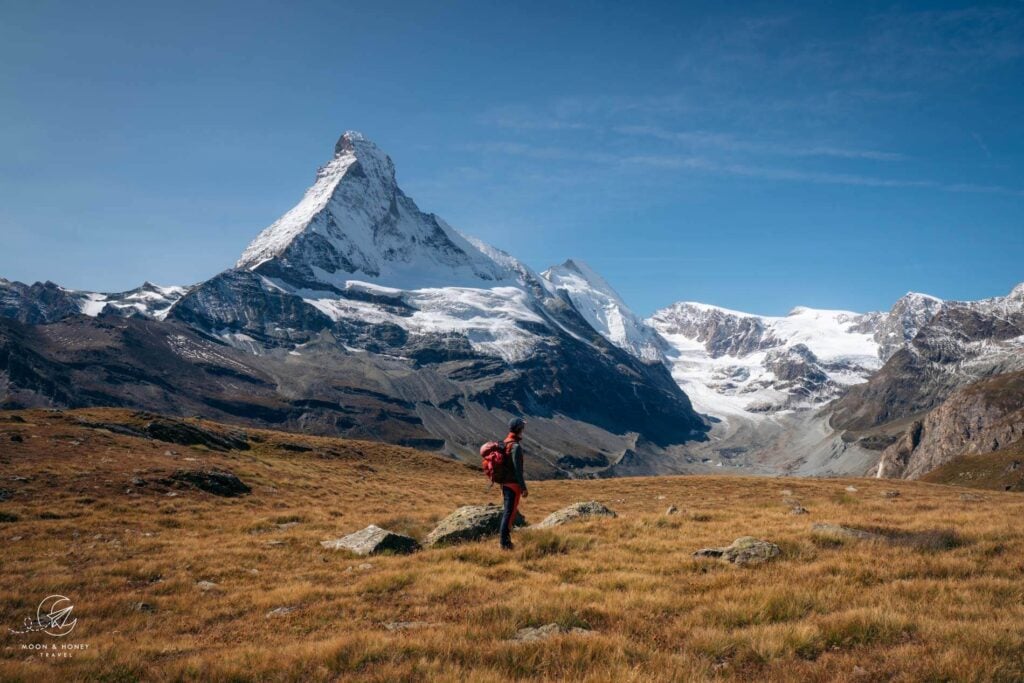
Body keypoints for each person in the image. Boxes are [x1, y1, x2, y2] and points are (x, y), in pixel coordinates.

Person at [498, 416, 528, 550]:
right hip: (513, 485)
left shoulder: (505, 443)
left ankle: (506, 541)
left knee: (508, 512)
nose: (524, 429)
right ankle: (504, 543)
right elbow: (518, 470)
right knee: (509, 513)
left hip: (505, 484)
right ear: (519, 429)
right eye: (523, 427)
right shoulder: (515, 446)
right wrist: (523, 488)